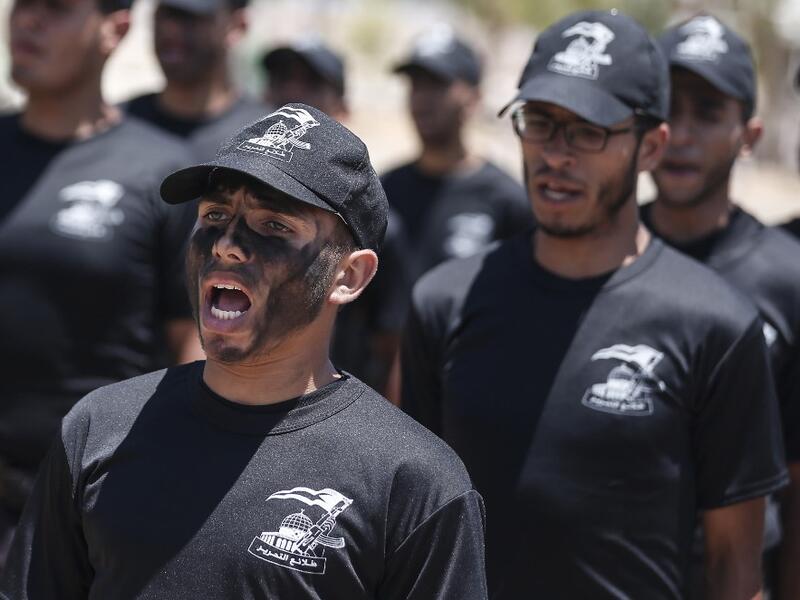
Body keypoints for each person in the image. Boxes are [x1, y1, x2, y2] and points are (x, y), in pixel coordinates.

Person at [1, 103, 488, 599]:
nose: (226, 245)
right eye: (214, 215)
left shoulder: (415, 483)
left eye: (273, 224)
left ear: (350, 275)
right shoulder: (99, 429)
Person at [401, 10, 788, 599]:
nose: (557, 154)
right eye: (541, 122)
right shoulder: (442, 302)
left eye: (590, 130)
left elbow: (735, 569)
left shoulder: (717, 325)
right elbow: (409, 522)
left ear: (651, 146)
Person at [0, 0, 200, 569]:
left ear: (114, 29)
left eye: (56, 9)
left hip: (99, 509)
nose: (28, 22)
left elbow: (195, 346)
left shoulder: (160, 172)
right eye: (21, 5)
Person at [645, 15, 800, 599]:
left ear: (749, 136)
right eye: (668, 108)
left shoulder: (788, 278)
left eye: (707, 113)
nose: (681, 134)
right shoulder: (588, 256)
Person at [383, 25, 532, 282]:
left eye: (436, 84)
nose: (422, 98)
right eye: (416, 84)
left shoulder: (507, 200)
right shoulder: (382, 192)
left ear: (474, 98)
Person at [124, 0, 267, 160]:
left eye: (189, 17)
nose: (171, 29)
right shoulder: (117, 124)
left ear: (236, 27)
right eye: (165, 14)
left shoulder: (265, 138)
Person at [261, 38, 348, 121]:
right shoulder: (252, 129)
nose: (292, 91)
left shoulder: (350, 134)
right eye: (283, 77)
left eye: (311, 80)